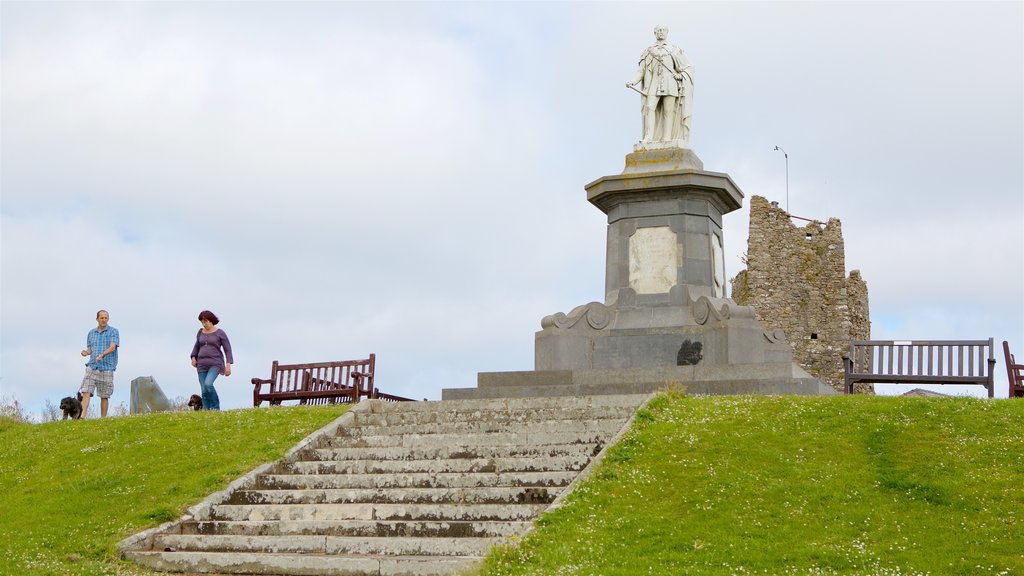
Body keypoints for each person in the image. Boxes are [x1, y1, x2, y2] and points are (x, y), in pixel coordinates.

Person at [626, 25, 694, 144]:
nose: (661, 32)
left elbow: (688, 67)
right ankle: (649, 137)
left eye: (663, 30)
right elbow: (641, 71)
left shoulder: (674, 49)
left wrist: (681, 75)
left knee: (669, 111)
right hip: (653, 84)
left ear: (667, 32)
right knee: (649, 107)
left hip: (670, 83)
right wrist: (633, 81)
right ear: (655, 33)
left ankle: (667, 138)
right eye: (658, 30)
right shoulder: (648, 51)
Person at [190, 310, 233, 411]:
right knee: (204, 390)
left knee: (208, 384)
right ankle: (206, 409)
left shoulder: (220, 333)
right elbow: (196, 347)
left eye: (206, 321)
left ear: (211, 320)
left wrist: (228, 364)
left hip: (215, 363)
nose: (204, 324)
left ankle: (215, 407)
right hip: (201, 364)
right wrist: (193, 357)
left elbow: (228, 349)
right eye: (202, 322)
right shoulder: (200, 333)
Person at [79, 309, 119, 418]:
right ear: (97, 319)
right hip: (92, 366)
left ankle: (103, 419)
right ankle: (81, 417)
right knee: (86, 391)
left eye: (106, 318)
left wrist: (103, 355)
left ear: (108, 319)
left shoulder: (113, 331)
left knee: (104, 395)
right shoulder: (91, 333)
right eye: (102, 318)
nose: (104, 320)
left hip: (106, 367)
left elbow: (112, 347)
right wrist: (86, 352)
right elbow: (90, 348)